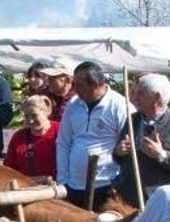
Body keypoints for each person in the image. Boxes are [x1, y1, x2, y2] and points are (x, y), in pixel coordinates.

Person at [56, 62, 132, 211]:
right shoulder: (73, 104)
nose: (74, 89)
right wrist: (63, 180)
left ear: (95, 85)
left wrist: (120, 182)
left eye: (79, 85)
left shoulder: (120, 105)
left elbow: (130, 144)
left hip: (107, 184)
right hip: (74, 185)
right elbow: (63, 143)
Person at [117, 73, 170, 207]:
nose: (135, 97)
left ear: (157, 97)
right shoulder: (133, 120)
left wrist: (162, 155)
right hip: (127, 197)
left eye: (141, 93)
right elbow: (117, 157)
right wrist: (119, 151)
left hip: (157, 202)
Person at [4, 95, 59, 178]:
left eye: (34, 115)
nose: (31, 120)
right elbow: (9, 169)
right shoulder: (19, 137)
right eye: (27, 116)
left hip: (58, 184)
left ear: (46, 112)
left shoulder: (59, 132)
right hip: (26, 184)